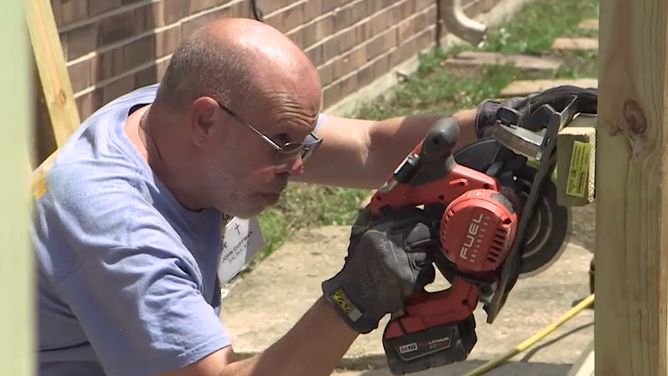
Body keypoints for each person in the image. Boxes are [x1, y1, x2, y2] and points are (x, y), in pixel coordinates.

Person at [32, 17, 522, 376]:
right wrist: (351, 302)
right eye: (284, 143)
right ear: (206, 120)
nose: (300, 164)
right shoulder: (118, 231)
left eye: (304, 141)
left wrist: (490, 124)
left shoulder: (162, 117)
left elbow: (372, 147)